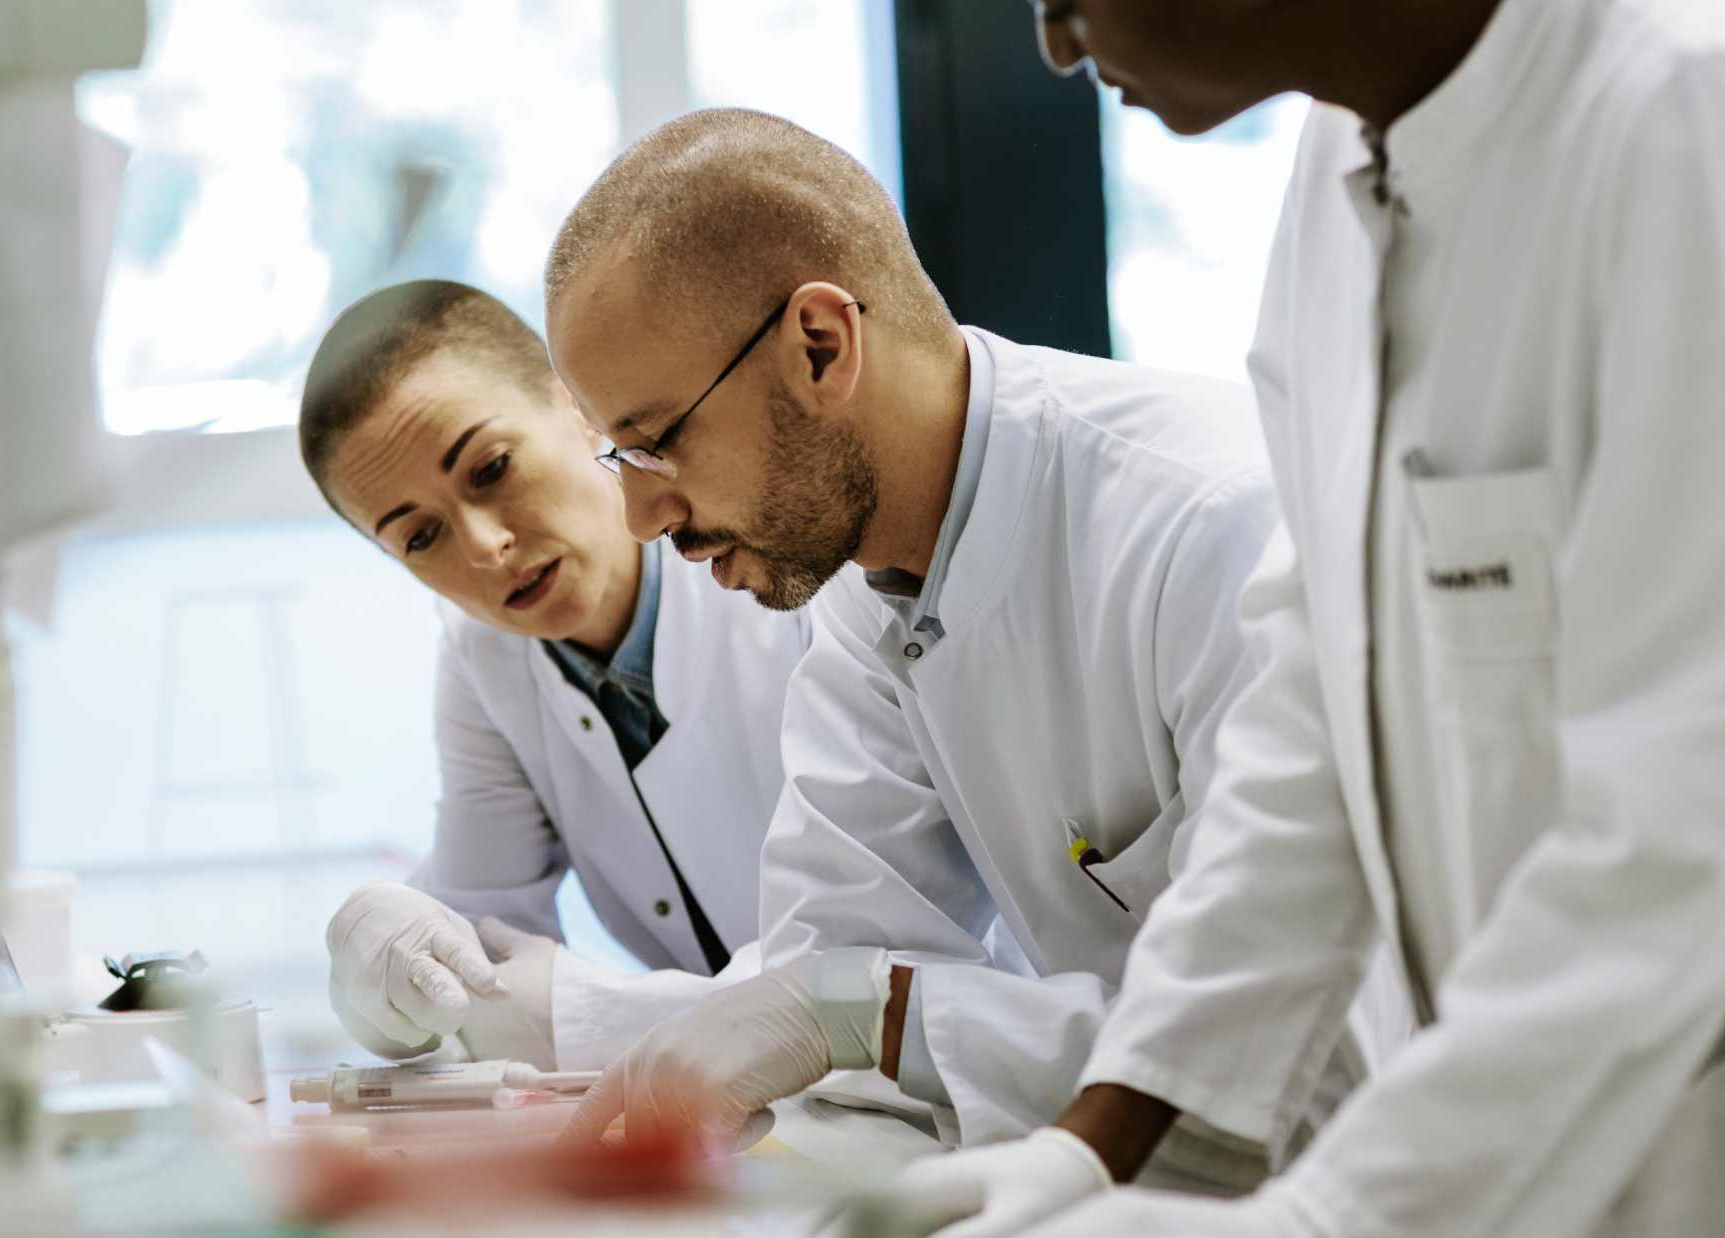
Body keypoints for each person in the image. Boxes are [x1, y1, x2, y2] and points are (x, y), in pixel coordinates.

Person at [874, 1, 1725, 1235]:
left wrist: (1328, 1213)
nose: (1054, 45)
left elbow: (1687, 837)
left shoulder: (1678, 126)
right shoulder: (1336, 173)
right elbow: (1322, 693)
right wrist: (1095, 1136)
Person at [541, 109, 1370, 1184]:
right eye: (617, 455)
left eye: (658, 443)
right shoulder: (866, 587)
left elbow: (1303, 1066)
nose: (642, 515)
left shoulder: (1210, 526)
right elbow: (823, 975)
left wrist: (877, 1013)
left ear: (820, 346)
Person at [298, 280, 812, 1074]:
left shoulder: (789, 576)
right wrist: (387, 984)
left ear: (577, 403)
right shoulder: (484, 657)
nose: (483, 547)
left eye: (491, 468)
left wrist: (592, 1016)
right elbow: (479, 948)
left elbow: (871, 973)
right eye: (420, 536)